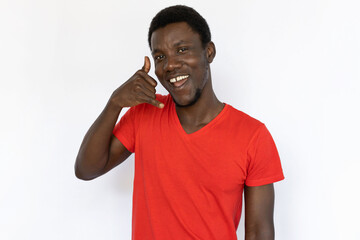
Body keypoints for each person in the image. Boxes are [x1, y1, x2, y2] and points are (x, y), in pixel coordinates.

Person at [75, 5, 284, 240]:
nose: (170, 65)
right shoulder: (143, 114)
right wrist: (115, 103)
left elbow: (258, 232)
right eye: (160, 57)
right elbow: (86, 169)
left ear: (209, 52)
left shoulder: (253, 136)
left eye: (182, 50)